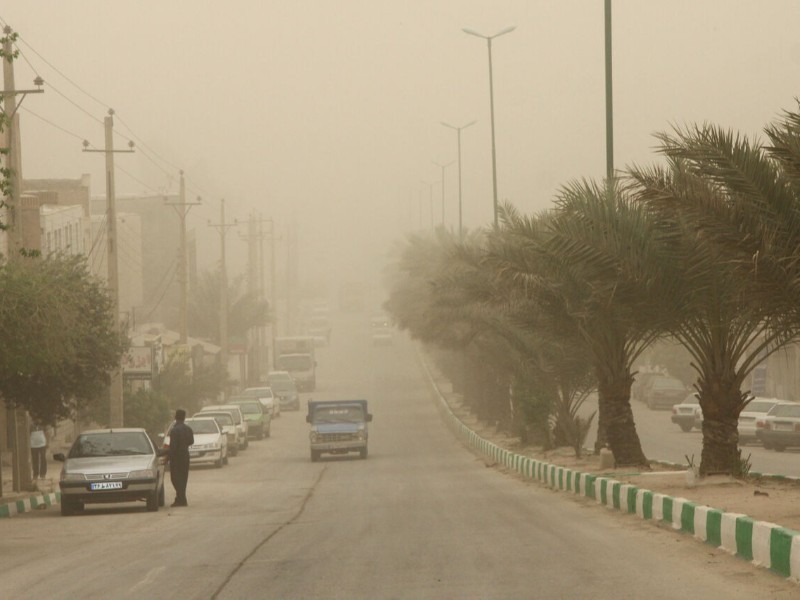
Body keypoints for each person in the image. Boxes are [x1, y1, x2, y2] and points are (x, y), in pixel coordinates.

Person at [167, 409, 194, 507]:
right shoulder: (188, 429)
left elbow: (173, 447)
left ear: (175, 417)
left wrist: (169, 457)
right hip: (185, 456)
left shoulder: (174, 430)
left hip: (176, 457)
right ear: (184, 417)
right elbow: (191, 441)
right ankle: (181, 498)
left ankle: (181, 499)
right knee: (183, 478)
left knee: (175, 478)